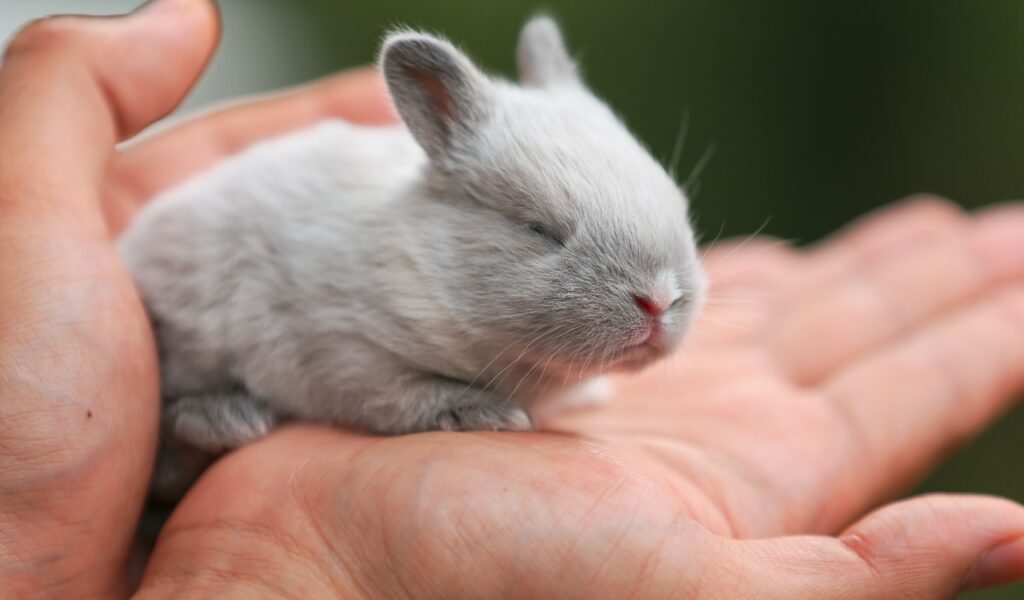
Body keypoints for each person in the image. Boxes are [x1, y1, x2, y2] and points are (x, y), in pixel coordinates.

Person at [1, 1, 1022, 597]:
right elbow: (332, 353)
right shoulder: (362, 268)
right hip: (203, 331)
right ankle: (177, 433)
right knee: (213, 343)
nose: (659, 301)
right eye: (544, 236)